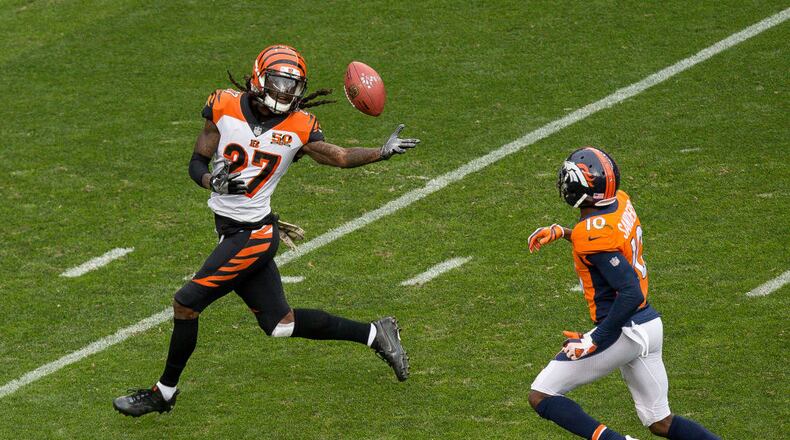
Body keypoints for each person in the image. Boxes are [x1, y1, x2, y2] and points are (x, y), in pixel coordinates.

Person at [113, 45, 419, 417]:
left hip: (253, 235)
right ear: (260, 78)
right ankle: (375, 333)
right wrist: (212, 181)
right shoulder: (224, 105)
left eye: (293, 86)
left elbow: (338, 156)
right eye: (278, 83)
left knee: (186, 303)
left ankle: (163, 393)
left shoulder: (299, 126)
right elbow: (196, 162)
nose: (285, 93)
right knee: (280, 324)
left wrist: (379, 152)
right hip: (232, 230)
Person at [526, 147, 719, 440]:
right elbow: (606, 246)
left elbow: (629, 292)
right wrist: (565, 232)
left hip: (624, 331)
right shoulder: (620, 202)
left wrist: (594, 339)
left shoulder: (592, 234)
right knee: (660, 422)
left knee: (541, 394)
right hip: (649, 325)